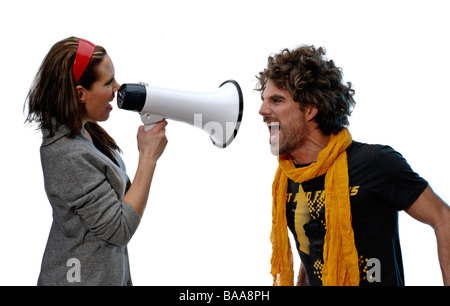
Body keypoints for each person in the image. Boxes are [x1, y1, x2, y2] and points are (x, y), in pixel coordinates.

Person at [256, 45, 449, 286]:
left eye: (276, 100)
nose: (262, 110)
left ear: (310, 109)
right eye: (264, 100)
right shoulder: (291, 178)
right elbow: (316, 252)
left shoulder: (374, 162)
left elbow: (443, 219)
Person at [25, 37, 168, 285]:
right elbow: (120, 228)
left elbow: (117, 201)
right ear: (81, 93)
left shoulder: (84, 131)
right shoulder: (66, 154)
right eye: (107, 82)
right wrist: (148, 157)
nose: (118, 87)